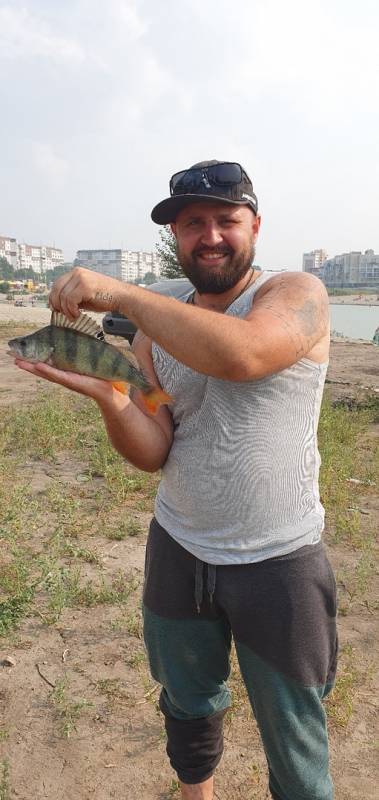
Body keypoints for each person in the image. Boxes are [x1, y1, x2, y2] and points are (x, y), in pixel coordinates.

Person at [14, 160, 337, 800]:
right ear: (176, 238)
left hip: (281, 559)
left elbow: (244, 354)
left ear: (255, 226)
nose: (210, 236)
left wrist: (126, 296)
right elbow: (156, 447)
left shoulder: (295, 295)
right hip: (179, 547)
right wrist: (111, 400)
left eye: (226, 220)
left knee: (295, 734)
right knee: (188, 705)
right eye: (193, 224)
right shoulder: (159, 330)